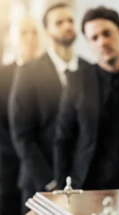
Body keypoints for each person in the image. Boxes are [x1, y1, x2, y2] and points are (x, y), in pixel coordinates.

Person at [53, 6, 119, 191]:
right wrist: (62, 187)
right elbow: (63, 138)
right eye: (94, 38)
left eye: (107, 33)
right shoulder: (77, 80)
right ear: (89, 43)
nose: (102, 42)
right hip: (86, 183)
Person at [8, 3, 90, 213]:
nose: (67, 26)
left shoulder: (89, 70)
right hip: (39, 183)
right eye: (59, 22)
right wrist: (50, 181)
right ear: (47, 31)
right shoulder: (29, 72)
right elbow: (22, 133)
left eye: (71, 21)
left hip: (84, 183)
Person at [0, 17, 41, 215]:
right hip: (8, 166)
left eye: (34, 32)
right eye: (24, 33)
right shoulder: (2, 75)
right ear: (12, 39)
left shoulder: (49, 75)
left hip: (42, 168)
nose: (30, 38)